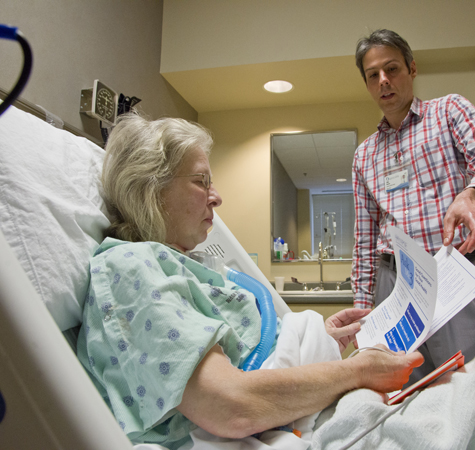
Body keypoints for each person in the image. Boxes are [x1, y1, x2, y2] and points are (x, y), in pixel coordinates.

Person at [76, 113, 424, 449]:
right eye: (201, 181)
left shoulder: (188, 267)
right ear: (151, 188)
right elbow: (230, 406)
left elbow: (248, 351)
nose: (216, 196)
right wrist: (359, 371)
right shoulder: (130, 267)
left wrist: (323, 340)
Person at [351, 29, 475, 385]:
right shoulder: (364, 155)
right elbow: (364, 238)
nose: (383, 81)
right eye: (372, 75)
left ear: (412, 69)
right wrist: (363, 308)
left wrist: (472, 194)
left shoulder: (448, 111)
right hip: (393, 281)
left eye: (392, 69)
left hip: (452, 269)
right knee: (403, 389)